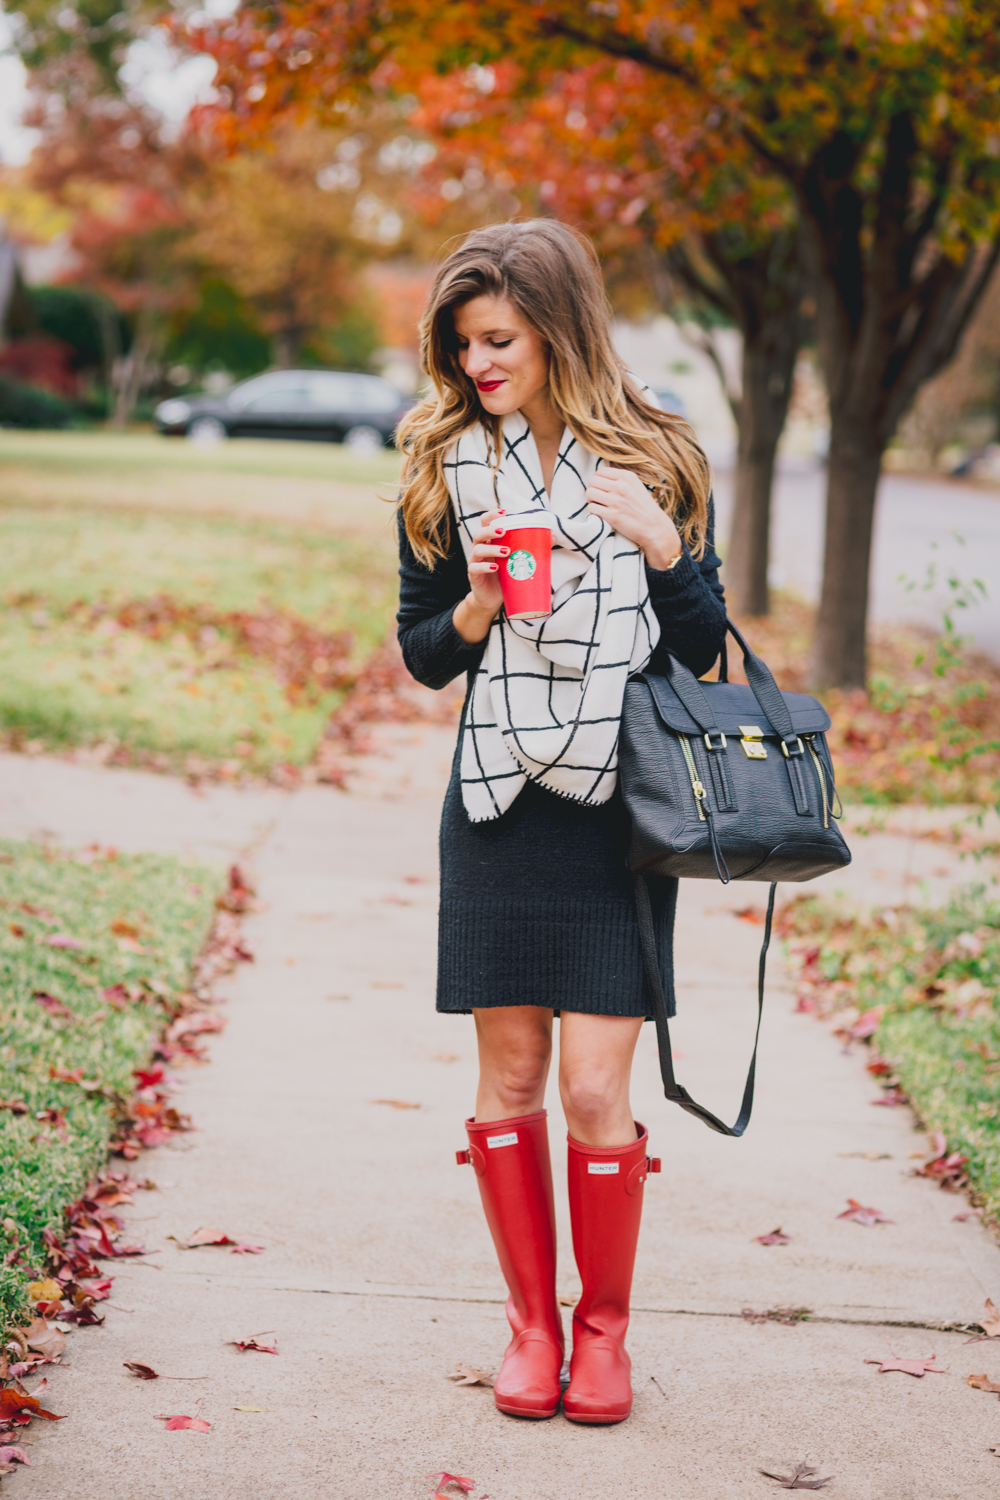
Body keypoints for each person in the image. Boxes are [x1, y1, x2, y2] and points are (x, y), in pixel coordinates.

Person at [395, 220, 727, 1425]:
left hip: (617, 809)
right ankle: (531, 1330)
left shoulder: (660, 455)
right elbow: (424, 655)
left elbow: (702, 646)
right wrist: (480, 599)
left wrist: (660, 543)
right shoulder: (440, 462)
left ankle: (603, 1336)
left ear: (558, 329)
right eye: (462, 342)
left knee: (594, 1089)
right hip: (495, 804)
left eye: (497, 339)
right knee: (513, 1077)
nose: (476, 363)